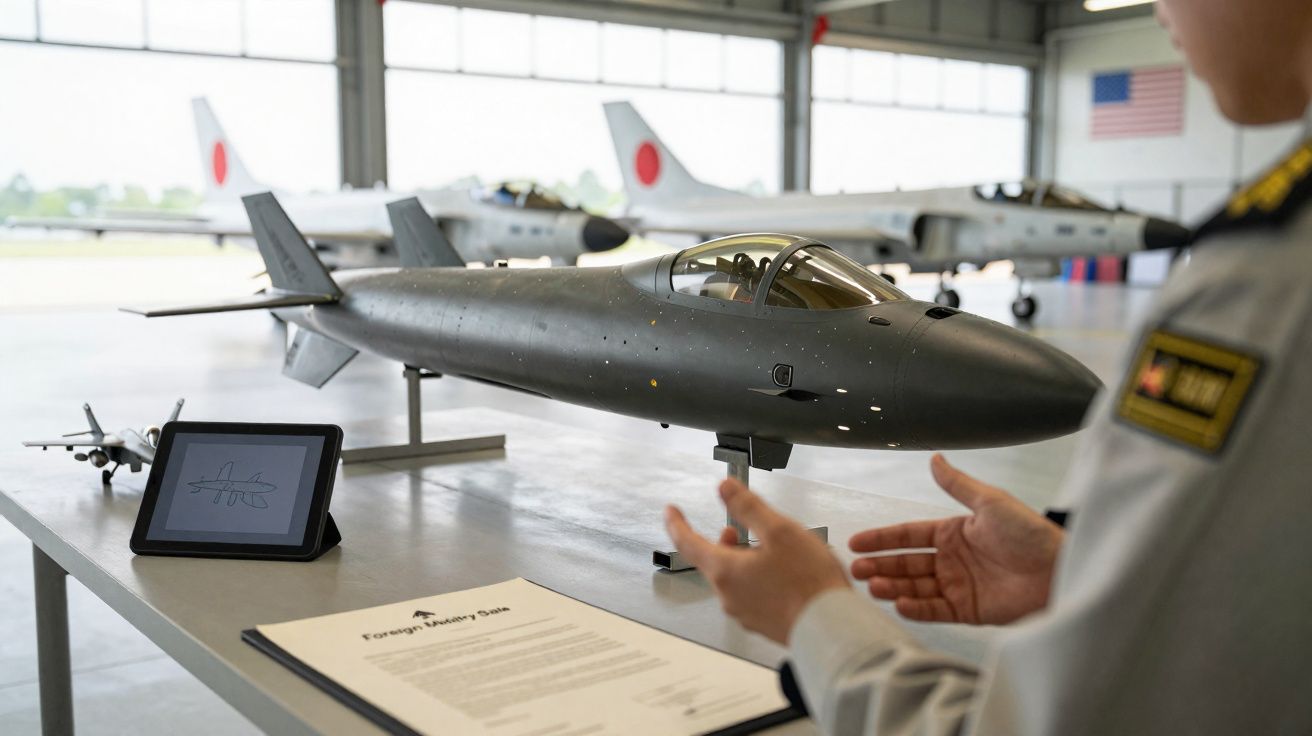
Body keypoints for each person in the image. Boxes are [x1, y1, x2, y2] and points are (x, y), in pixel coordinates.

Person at [664, 1, 1312, 733]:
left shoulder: (1271, 285)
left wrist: (814, 621)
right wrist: (1081, 569)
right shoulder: (1269, 260)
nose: (1158, 7)